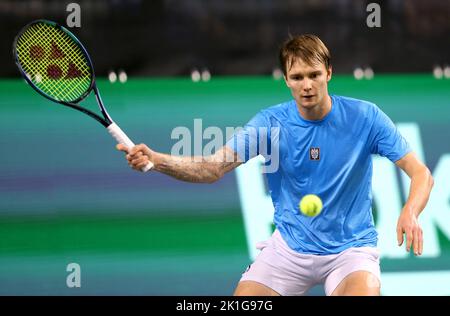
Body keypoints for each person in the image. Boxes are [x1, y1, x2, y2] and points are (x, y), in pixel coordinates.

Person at [116, 34, 434, 296]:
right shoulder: (269, 124)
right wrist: (157, 160)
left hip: (350, 250)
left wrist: (410, 211)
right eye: (297, 77)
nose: (307, 85)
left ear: (329, 73)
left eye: (314, 75)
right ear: (286, 80)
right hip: (288, 250)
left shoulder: (366, 117)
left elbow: (420, 173)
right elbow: (212, 168)